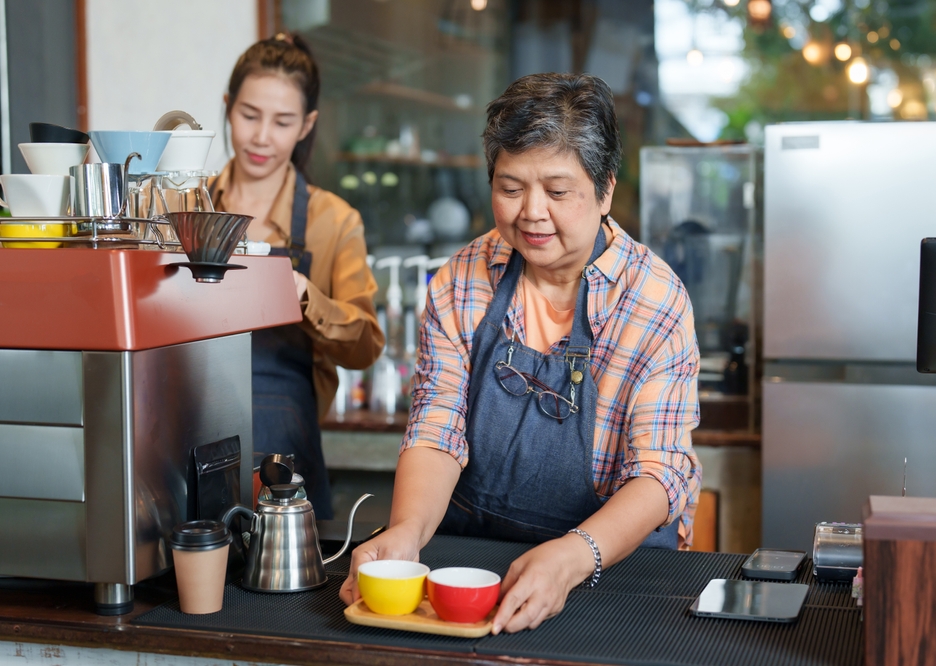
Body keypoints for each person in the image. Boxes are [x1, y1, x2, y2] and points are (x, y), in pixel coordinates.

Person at [340, 73, 701, 632]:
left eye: (557, 192)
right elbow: (437, 428)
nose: (531, 213)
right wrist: (406, 532)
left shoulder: (654, 299)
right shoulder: (463, 279)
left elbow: (660, 470)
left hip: (610, 564)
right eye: (510, 189)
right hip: (480, 562)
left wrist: (573, 555)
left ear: (604, 190)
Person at [211, 34, 383, 519]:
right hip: (190, 442)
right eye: (249, 115)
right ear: (227, 107)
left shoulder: (334, 221)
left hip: (285, 454)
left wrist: (308, 298)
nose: (262, 137)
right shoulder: (188, 207)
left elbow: (366, 345)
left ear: (307, 124)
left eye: (283, 121)